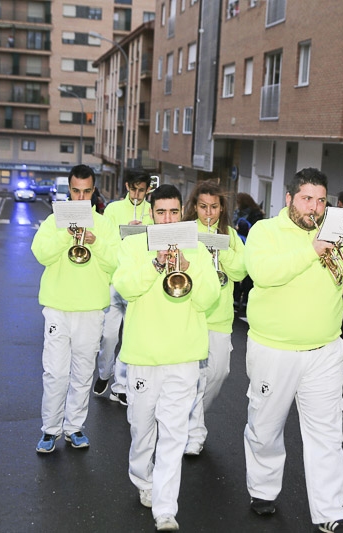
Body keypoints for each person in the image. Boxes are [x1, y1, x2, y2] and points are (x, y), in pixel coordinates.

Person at [244, 168, 343, 533]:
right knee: (265, 428)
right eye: (307, 199)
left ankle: (331, 512)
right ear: (289, 199)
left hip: (324, 350)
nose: (314, 208)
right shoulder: (265, 232)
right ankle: (263, 489)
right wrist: (312, 249)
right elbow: (262, 272)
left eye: (321, 200)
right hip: (274, 349)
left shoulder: (336, 234)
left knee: (326, 434)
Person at [112, 184, 220, 531]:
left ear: (182, 214)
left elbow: (207, 301)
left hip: (185, 356)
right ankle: (143, 479)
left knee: (174, 433)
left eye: (174, 212)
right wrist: (157, 263)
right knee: (141, 427)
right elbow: (125, 288)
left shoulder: (199, 250)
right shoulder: (132, 245)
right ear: (151, 215)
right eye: (161, 212)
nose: (168, 218)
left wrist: (187, 269)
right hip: (143, 354)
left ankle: (165, 509)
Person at [31, 165, 119, 453]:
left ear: (93, 191)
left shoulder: (104, 225)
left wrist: (95, 242)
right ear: (68, 190)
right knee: (55, 373)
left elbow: (117, 263)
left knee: (82, 373)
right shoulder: (54, 219)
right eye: (75, 191)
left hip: (91, 310)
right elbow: (40, 254)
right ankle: (50, 429)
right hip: (57, 308)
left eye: (86, 191)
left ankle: (75, 427)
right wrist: (65, 235)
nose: (81, 197)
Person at [181, 181, 246, 455]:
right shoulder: (185, 232)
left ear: (222, 208)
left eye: (214, 207)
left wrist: (222, 251)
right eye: (203, 207)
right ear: (194, 207)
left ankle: (187, 418)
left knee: (219, 374)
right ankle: (194, 433)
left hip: (219, 318)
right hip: (191, 315)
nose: (209, 213)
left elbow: (241, 272)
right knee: (194, 378)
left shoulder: (230, 235)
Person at [96, 171, 154, 405]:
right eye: (133, 189)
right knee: (109, 336)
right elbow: (106, 244)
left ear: (147, 189)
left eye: (142, 190)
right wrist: (124, 233)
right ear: (128, 187)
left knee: (129, 337)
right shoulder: (112, 209)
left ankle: (120, 386)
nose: (137, 195)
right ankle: (103, 373)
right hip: (114, 280)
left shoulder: (152, 212)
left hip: (137, 283)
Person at [232, 193, 264, 316]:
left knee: (248, 275)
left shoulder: (256, 214)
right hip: (238, 244)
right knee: (235, 271)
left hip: (250, 246)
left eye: (238, 201)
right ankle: (236, 299)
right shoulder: (238, 212)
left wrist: (241, 228)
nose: (237, 204)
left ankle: (245, 300)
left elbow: (255, 231)